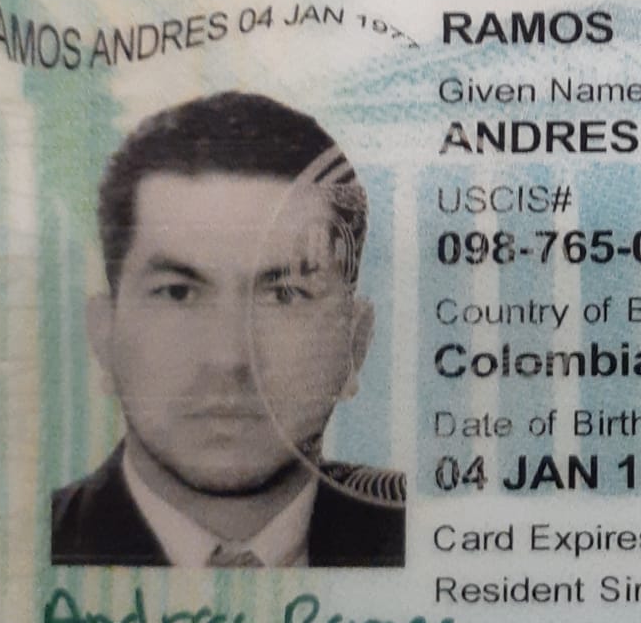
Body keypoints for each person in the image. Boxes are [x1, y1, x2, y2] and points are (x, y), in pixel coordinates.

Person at [51, 91, 405, 568]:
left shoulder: (427, 536)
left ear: (354, 346)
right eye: (178, 293)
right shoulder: (23, 545)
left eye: (284, 295)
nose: (229, 359)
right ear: (104, 336)